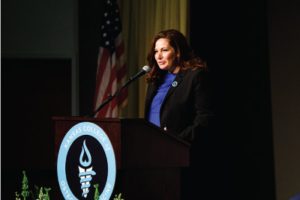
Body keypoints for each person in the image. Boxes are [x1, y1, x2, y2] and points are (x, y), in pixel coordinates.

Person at [144, 29, 213, 144]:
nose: (158, 56)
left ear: (178, 52)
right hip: (152, 146)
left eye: (164, 50)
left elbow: (205, 118)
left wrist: (177, 140)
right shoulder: (156, 79)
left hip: (178, 149)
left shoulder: (195, 76)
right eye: (156, 51)